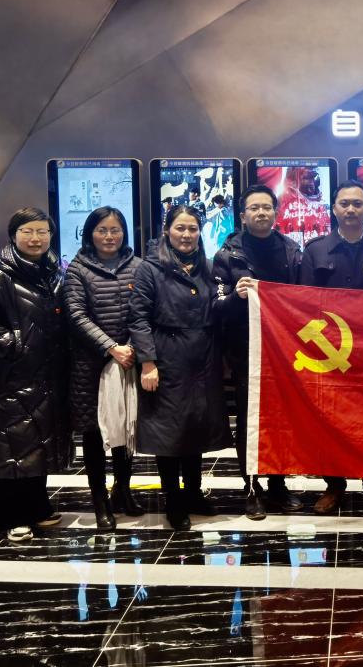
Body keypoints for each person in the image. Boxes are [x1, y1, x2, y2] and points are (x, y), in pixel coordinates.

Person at [301, 179, 363, 515]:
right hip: (330, 354)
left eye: (357, 203)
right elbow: (302, 305)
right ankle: (333, 485)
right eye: (344, 203)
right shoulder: (315, 250)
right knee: (329, 420)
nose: (350, 209)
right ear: (333, 208)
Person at [0, 208, 69, 542]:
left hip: (42, 375)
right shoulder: (0, 276)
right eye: (28, 231)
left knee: (36, 444)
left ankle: (38, 507)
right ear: (14, 236)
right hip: (7, 379)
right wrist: (15, 347)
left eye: (42, 232)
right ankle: (11, 517)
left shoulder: (50, 272)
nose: (35, 238)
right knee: (9, 447)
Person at [129, 205, 232, 530]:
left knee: (196, 428)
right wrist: (148, 362)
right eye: (180, 228)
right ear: (167, 231)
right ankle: (173, 500)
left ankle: (194, 493)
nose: (186, 235)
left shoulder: (208, 266)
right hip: (167, 357)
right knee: (169, 434)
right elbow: (138, 317)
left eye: (192, 229)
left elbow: (219, 308)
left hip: (204, 357)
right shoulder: (149, 269)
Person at [213, 185, 305, 519]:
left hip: (284, 351)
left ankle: (279, 485)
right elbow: (215, 306)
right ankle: (252, 487)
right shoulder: (227, 255)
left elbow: (302, 299)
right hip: (245, 351)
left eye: (267, 207)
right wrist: (235, 297)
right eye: (254, 208)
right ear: (243, 216)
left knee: (282, 420)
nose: (261, 213)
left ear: (276, 213)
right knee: (249, 421)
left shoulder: (292, 251)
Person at [62, 207, 143, 531]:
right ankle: (100, 500)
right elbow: (76, 315)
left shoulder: (138, 266)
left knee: (126, 427)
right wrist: (111, 347)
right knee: (94, 434)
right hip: (91, 366)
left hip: (128, 361)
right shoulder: (77, 269)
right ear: (90, 234)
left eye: (115, 230)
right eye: (102, 230)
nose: (109, 236)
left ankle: (123, 490)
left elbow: (144, 310)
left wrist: (132, 347)